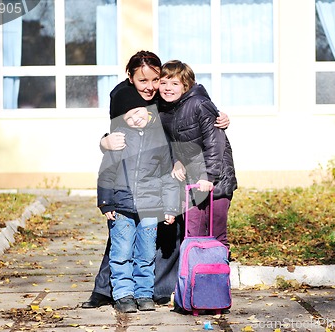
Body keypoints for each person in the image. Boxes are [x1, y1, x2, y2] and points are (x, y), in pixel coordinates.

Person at [82, 50, 231, 309]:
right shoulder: (128, 95)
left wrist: (219, 121)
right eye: (145, 81)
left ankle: (167, 289)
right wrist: (103, 141)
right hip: (147, 181)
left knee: (172, 235)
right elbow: (120, 136)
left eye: (156, 80)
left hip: (188, 178)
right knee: (124, 235)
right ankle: (110, 290)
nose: (152, 87)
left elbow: (205, 121)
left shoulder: (178, 97)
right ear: (131, 77)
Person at [97, 85, 179, 313]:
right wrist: (106, 202)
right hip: (121, 207)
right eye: (128, 116)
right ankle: (123, 294)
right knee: (121, 252)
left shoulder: (159, 139)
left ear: (148, 109)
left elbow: (167, 175)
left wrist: (171, 206)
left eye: (137, 112)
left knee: (145, 253)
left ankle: (144, 293)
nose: (134, 119)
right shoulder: (119, 139)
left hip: (150, 209)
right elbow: (107, 172)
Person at [158, 60, 237, 248]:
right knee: (193, 235)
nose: (168, 88)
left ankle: (219, 277)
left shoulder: (199, 104)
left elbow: (214, 142)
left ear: (186, 86)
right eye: (163, 82)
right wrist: (175, 160)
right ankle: (195, 276)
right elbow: (168, 142)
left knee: (216, 236)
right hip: (191, 182)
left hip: (216, 180)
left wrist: (209, 176)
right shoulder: (164, 110)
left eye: (175, 83)